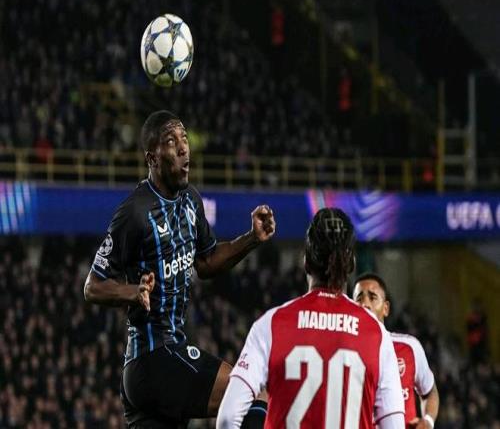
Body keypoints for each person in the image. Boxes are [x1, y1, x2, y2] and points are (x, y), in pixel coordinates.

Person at [84, 110, 276, 428]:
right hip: (154, 358)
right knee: (254, 394)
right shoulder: (134, 212)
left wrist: (251, 238)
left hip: (161, 367)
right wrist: (132, 292)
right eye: (172, 142)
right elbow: (93, 286)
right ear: (152, 158)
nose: (184, 148)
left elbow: (207, 262)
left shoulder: (191, 201)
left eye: (184, 138)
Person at [217, 208, 405, 428]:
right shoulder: (376, 334)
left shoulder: (271, 324)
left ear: (306, 261)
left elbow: (228, 417)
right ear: (351, 264)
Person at [352, 273, 440, 429]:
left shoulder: (409, 347)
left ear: (386, 308)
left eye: (372, 297)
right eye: (359, 299)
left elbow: (429, 392)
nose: (365, 304)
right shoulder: (345, 352)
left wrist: (428, 421)